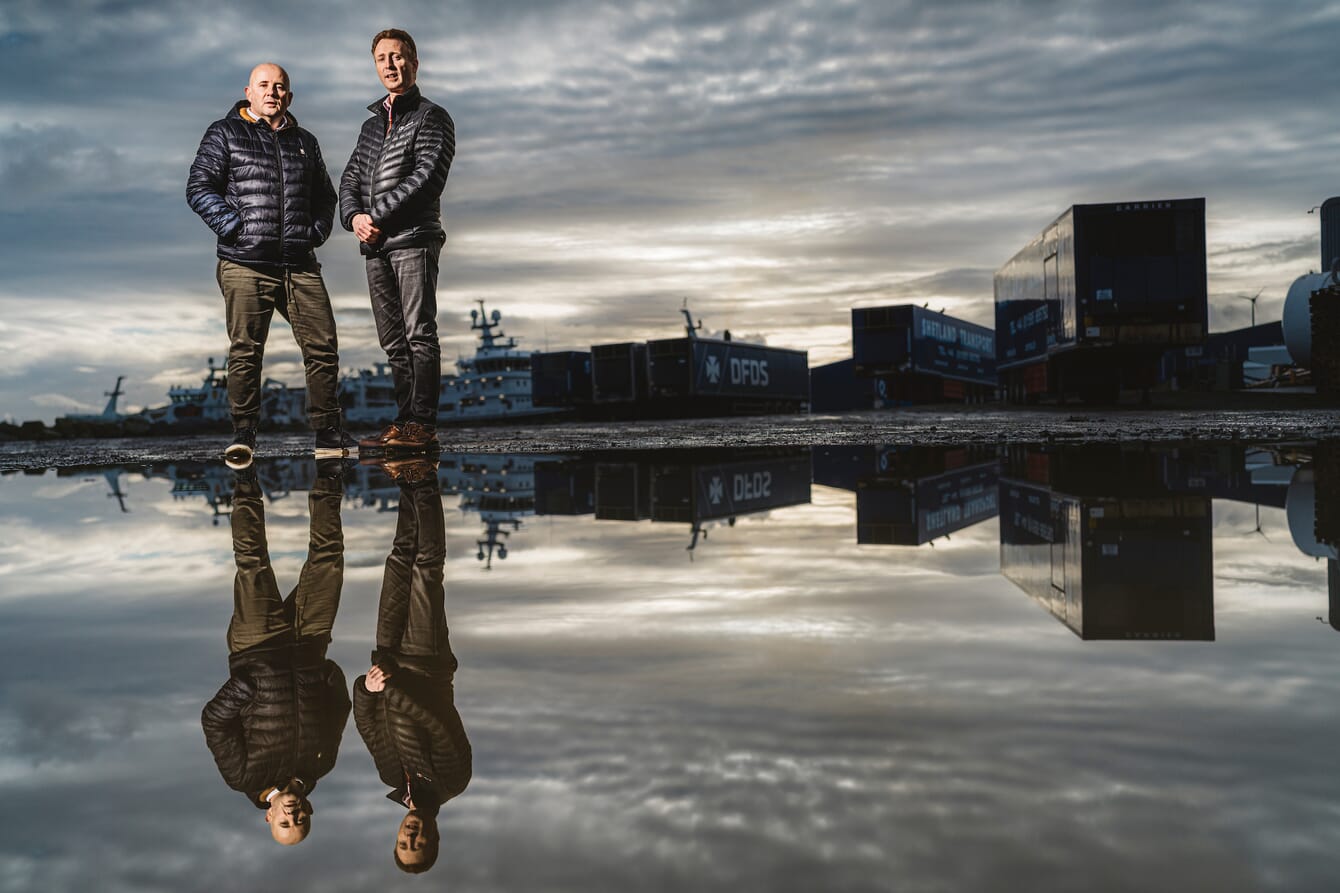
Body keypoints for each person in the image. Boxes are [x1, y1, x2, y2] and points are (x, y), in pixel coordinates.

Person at [187, 63, 356, 469]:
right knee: (246, 350)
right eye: (264, 85)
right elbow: (199, 187)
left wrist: (314, 232)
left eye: (280, 87)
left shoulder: (305, 141)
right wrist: (234, 227)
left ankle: (327, 433)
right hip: (244, 262)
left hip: (299, 264)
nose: (272, 92)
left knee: (323, 347)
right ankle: (244, 435)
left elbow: (325, 198)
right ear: (249, 91)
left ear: (290, 96)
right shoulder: (224, 132)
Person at [201, 461, 351, 845]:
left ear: (268, 817)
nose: (293, 815)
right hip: (310, 642)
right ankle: (330, 470)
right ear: (311, 811)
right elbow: (339, 706)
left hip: (257, 646)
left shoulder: (243, 778)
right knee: (329, 561)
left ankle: (245, 475)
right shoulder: (323, 764)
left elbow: (214, 722)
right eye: (301, 819)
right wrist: (327, 671)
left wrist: (248, 685)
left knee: (252, 561)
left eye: (286, 823)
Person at [340, 29, 456, 452]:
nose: (390, 65)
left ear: (415, 61)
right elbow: (350, 178)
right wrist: (353, 217)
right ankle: (403, 423)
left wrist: (376, 215)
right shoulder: (370, 128)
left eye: (398, 56)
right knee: (393, 342)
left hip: (413, 240)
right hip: (374, 246)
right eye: (382, 59)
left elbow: (427, 178)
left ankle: (421, 426)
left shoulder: (432, 116)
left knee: (418, 333)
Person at [354, 457, 471, 873]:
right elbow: (439, 721)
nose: (412, 836)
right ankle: (425, 479)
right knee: (426, 569)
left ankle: (405, 478)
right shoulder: (453, 782)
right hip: (425, 661)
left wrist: (366, 689)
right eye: (419, 842)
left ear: (397, 836)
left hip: (385, 658)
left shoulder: (390, 777)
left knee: (399, 558)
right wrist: (394, 693)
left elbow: (368, 725)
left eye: (405, 842)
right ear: (434, 838)